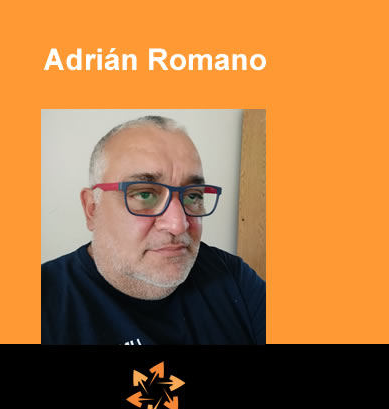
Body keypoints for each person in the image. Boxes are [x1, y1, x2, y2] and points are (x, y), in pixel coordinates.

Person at [41, 116, 265, 345]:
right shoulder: (44, 303)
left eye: (193, 195)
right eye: (145, 194)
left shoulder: (233, 278)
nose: (178, 225)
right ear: (92, 209)